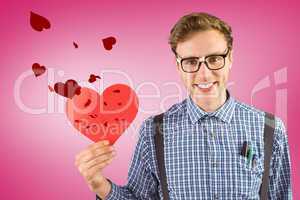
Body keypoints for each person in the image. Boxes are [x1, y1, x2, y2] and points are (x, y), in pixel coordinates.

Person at [75, 12, 292, 199]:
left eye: (215, 58)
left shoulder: (270, 128)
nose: (204, 73)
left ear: (231, 58)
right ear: (178, 66)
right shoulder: (154, 131)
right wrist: (99, 185)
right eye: (191, 62)